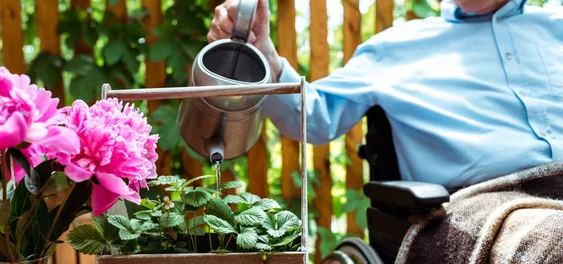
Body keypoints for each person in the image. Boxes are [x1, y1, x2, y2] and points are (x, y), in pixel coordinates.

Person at [207, 0, 563, 190]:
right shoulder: (395, 47)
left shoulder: (555, 24)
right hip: (491, 209)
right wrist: (266, 55)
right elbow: (313, 118)